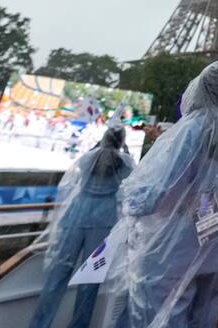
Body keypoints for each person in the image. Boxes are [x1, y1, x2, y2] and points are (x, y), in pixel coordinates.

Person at [108, 61, 218, 328]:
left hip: (178, 242)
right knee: (204, 314)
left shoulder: (192, 128)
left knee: (167, 314)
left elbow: (163, 185)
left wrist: (131, 203)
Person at [28, 125, 136, 328]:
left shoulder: (87, 159)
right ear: (121, 141)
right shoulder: (125, 163)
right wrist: (127, 152)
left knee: (57, 276)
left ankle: (39, 324)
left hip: (75, 217)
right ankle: (79, 324)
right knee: (90, 282)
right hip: (103, 223)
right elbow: (132, 182)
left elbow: (78, 175)